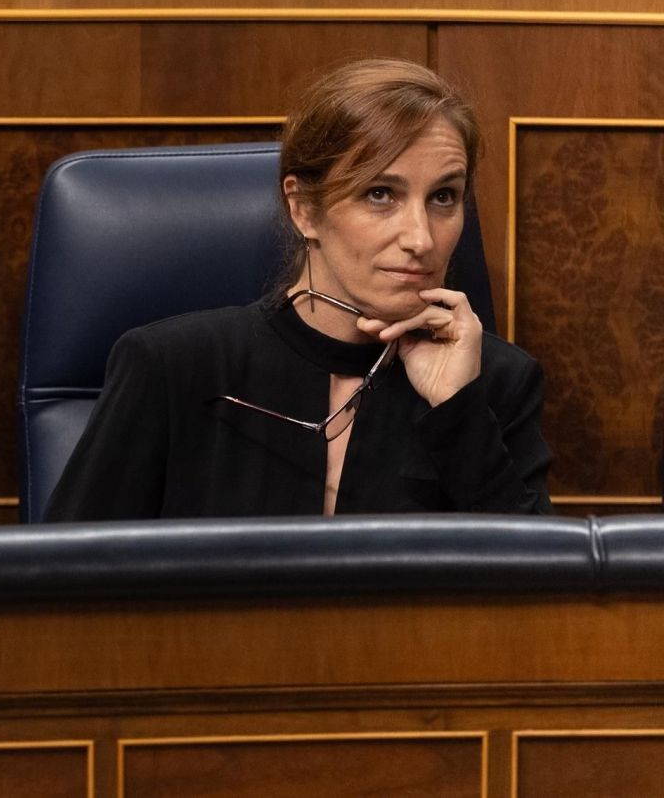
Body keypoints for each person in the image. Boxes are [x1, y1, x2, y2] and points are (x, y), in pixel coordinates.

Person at [44, 58, 552, 520]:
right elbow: (65, 579)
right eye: (380, 194)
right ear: (303, 208)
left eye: (443, 197)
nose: (421, 239)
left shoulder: (496, 380)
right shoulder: (171, 367)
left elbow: (538, 586)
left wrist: (459, 412)